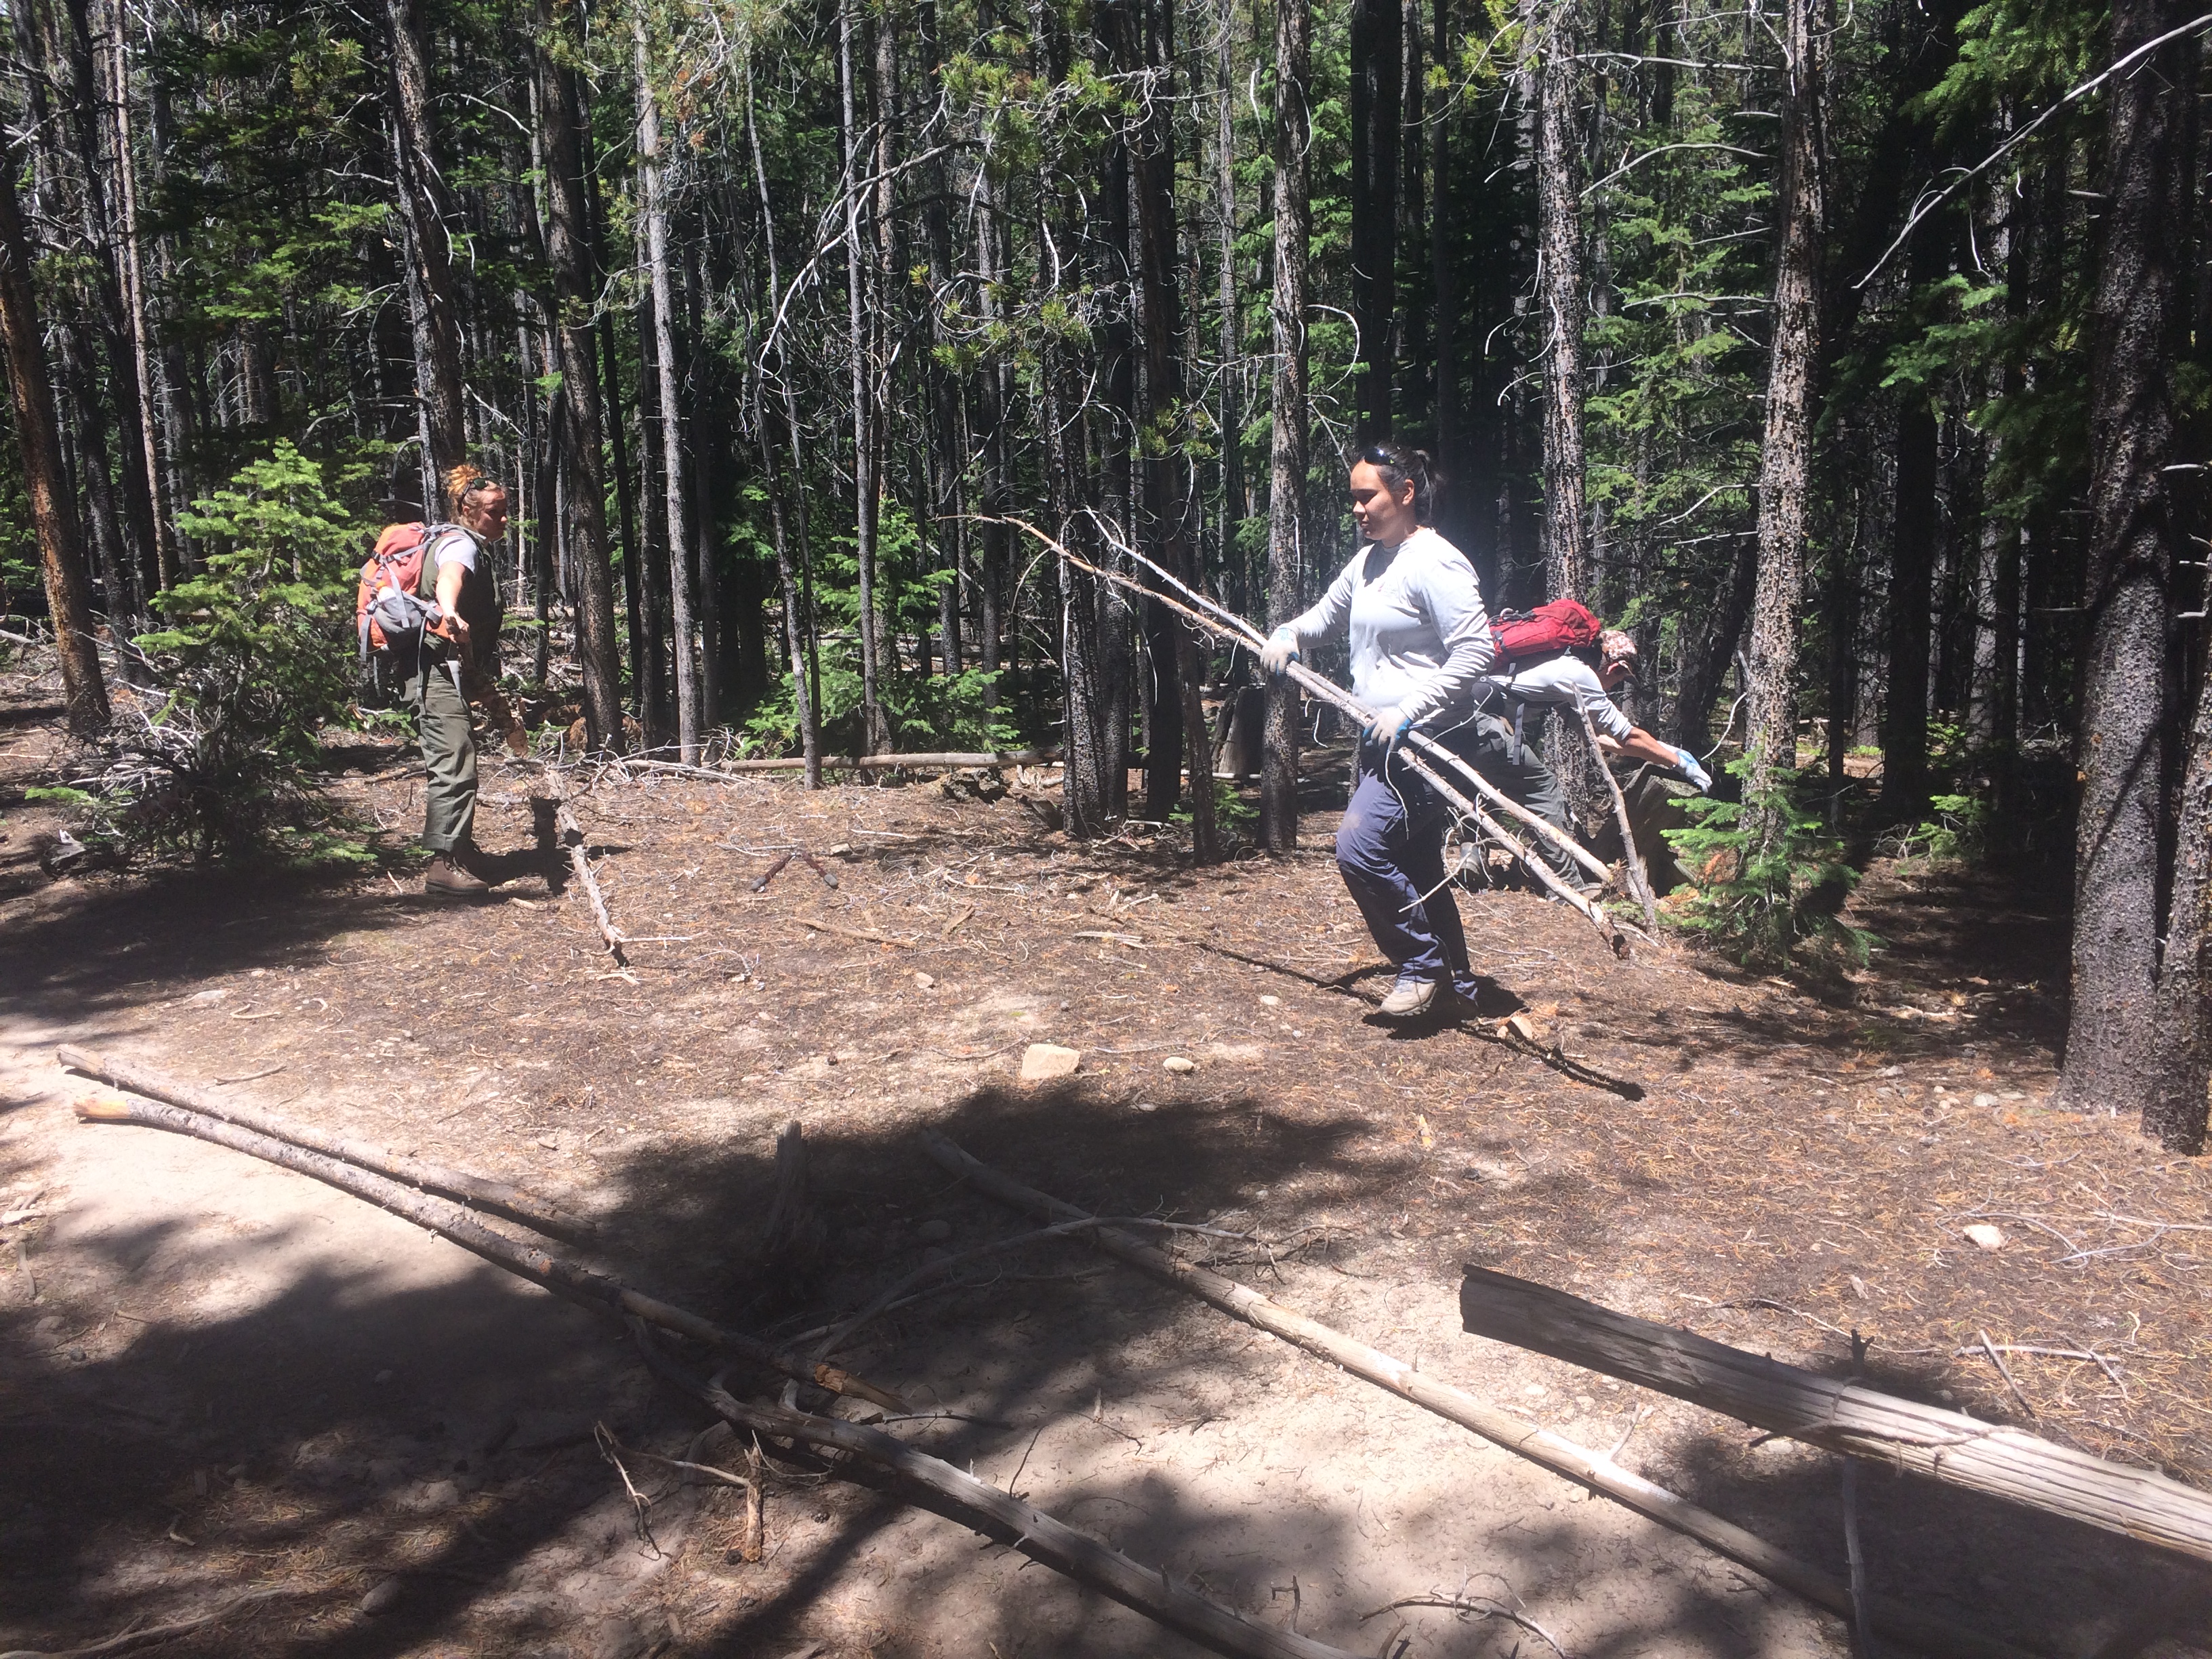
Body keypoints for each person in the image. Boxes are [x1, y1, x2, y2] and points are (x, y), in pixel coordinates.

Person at [1259, 443, 1496, 1019]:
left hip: (1425, 742)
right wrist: (1288, 633)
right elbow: (1325, 618)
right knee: (1417, 864)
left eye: (1368, 496)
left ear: (1406, 493)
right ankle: (1457, 992)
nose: (1357, 509)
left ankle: (1421, 964)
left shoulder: (1435, 562)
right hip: (1378, 740)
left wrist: (1412, 708)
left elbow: (1476, 651)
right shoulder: (1369, 562)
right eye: (1354, 499)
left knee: (1358, 849)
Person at [1472, 629, 1713, 874]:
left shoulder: (1561, 668)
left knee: (1478, 782)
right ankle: (1566, 883)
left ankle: (1472, 852)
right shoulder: (1578, 675)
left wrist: (1665, 751)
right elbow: (1627, 736)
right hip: (1481, 722)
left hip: (1471, 716)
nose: (1615, 685)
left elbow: (1597, 738)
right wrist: (1680, 764)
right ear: (1614, 668)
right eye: (1620, 679)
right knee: (1544, 790)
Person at [410, 469, 510, 898]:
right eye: (495, 512)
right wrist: (448, 609)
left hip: (450, 671)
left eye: (507, 512)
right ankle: (442, 866)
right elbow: (450, 577)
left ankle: (460, 849)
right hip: (435, 673)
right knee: (453, 758)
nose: (504, 520)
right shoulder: (460, 544)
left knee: (460, 752)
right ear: (468, 511)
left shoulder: (473, 545)